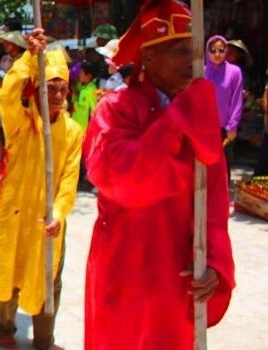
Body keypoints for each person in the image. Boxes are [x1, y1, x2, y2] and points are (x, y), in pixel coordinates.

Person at [83, 1, 235, 348]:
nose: (192, 62)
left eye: (194, 52)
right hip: (125, 269)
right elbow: (122, 179)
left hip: (179, 271)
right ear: (149, 57)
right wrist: (179, 119)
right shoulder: (116, 109)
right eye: (181, 52)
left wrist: (215, 260)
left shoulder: (197, 112)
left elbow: (215, 198)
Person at [0, 29, 83, 350]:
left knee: (49, 278)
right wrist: (29, 57)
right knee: (9, 269)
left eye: (62, 89)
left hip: (49, 220)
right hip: (16, 212)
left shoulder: (73, 131)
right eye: (49, 87)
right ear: (37, 88)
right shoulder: (21, 121)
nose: (56, 95)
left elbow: (70, 176)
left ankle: (44, 339)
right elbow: (6, 95)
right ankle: (2, 326)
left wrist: (60, 213)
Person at [205, 35, 244, 184]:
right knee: (205, 163)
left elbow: (237, 100)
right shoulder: (201, 72)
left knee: (224, 163)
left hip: (225, 127)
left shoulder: (234, 72)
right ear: (207, 51)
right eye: (213, 50)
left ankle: (223, 197)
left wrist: (232, 126)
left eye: (221, 50)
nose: (217, 54)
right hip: (205, 127)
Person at [72, 60, 98, 131]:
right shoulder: (81, 86)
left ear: (89, 76)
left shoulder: (92, 91)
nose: (79, 74)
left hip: (83, 130)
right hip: (75, 125)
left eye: (81, 72)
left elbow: (94, 112)